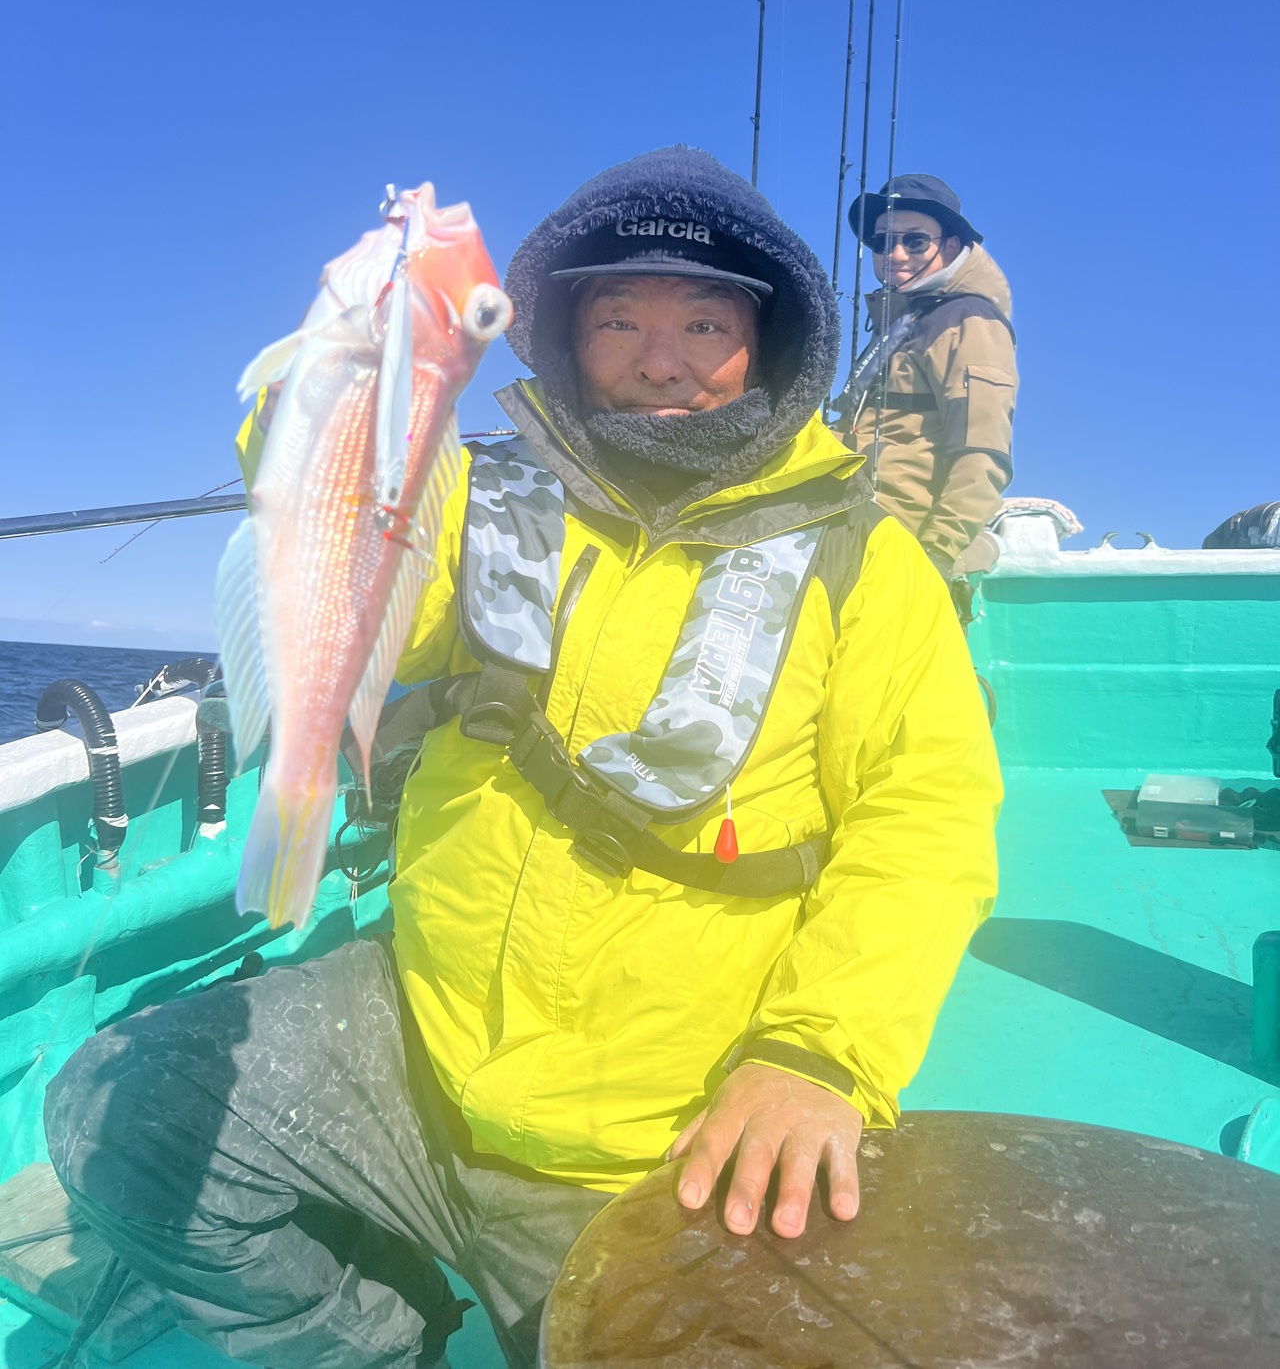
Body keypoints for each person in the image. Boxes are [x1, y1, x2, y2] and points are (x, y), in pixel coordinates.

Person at [44, 147, 1001, 1369]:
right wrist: (326, 391)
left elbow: (924, 820)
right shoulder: (478, 498)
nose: (660, 360)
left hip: (656, 1130)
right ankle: (378, 1340)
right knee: (118, 1110)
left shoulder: (866, 563)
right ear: (563, 336)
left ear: (766, 344)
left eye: (705, 323)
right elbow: (358, 573)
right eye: (618, 320)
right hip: (422, 1037)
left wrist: (817, 1054)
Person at [836, 174, 1018, 576]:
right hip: (855, 524)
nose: (896, 253)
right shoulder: (907, 321)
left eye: (915, 241)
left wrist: (938, 552)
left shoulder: (967, 320)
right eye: (882, 242)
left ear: (951, 246)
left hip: (904, 541)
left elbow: (982, 452)